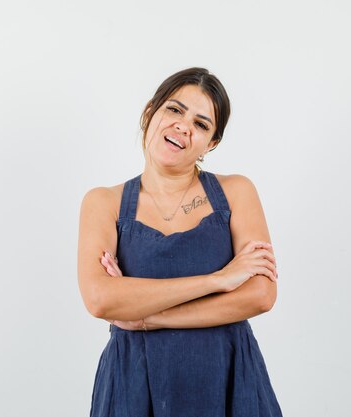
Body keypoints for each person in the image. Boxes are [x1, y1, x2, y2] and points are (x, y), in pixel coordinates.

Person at [77, 67, 283, 417]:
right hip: (133, 387)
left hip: (228, 380)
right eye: (174, 110)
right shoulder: (103, 202)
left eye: (202, 124)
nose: (183, 126)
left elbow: (261, 295)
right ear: (150, 112)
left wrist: (147, 317)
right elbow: (100, 299)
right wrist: (216, 281)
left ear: (211, 143)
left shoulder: (236, 192)